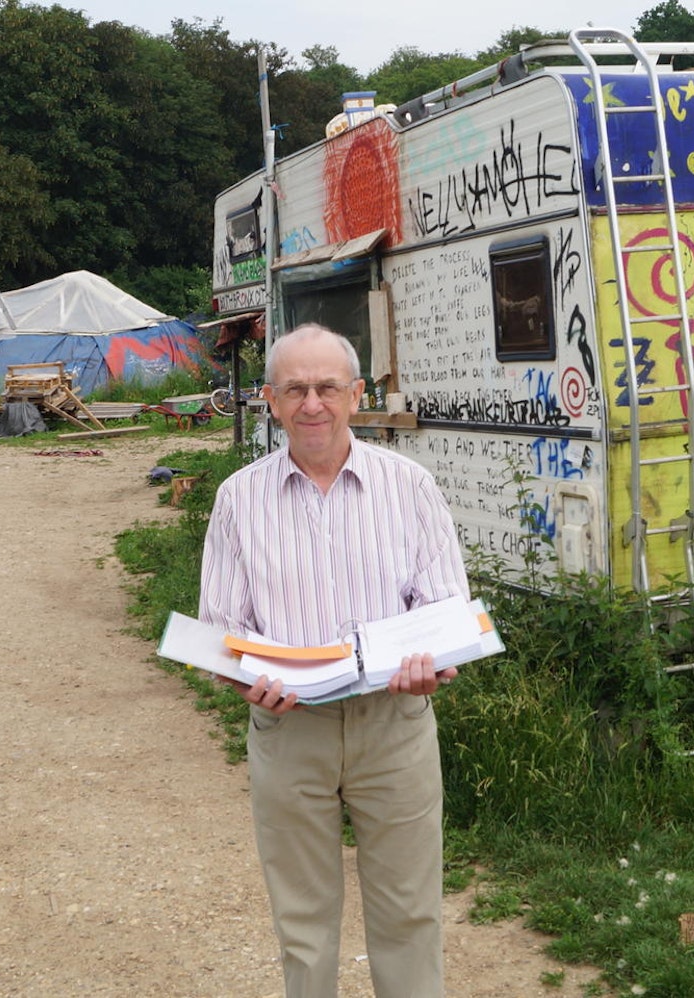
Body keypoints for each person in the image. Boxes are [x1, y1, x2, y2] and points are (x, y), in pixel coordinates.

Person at [199, 323, 470, 997]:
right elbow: (222, 630)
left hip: (394, 725)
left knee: (410, 913)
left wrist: (433, 660)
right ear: (270, 400)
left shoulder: (409, 486)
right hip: (289, 729)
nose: (312, 404)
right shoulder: (239, 498)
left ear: (356, 394)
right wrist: (243, 678)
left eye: (327, 387)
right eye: (295, 389)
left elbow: (445, 609)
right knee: (303, 923)